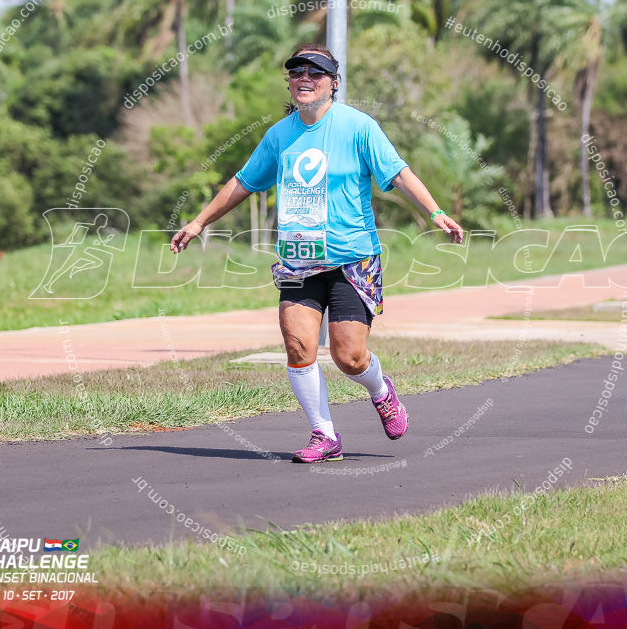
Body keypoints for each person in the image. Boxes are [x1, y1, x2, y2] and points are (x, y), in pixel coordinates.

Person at [170, 43, 463, 463]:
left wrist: (435, 212)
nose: (304, 79)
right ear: (289, 83)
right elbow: (243, 182)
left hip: (351, 258)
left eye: (316, 73)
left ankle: (382, 392)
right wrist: (199, 222)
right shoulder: (279, 135)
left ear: (334, 84)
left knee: (349, 356)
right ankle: (324, 435)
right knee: (298, 347)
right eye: (296, 72)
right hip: (298, 260)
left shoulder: (358, 127)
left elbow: (398, 173)